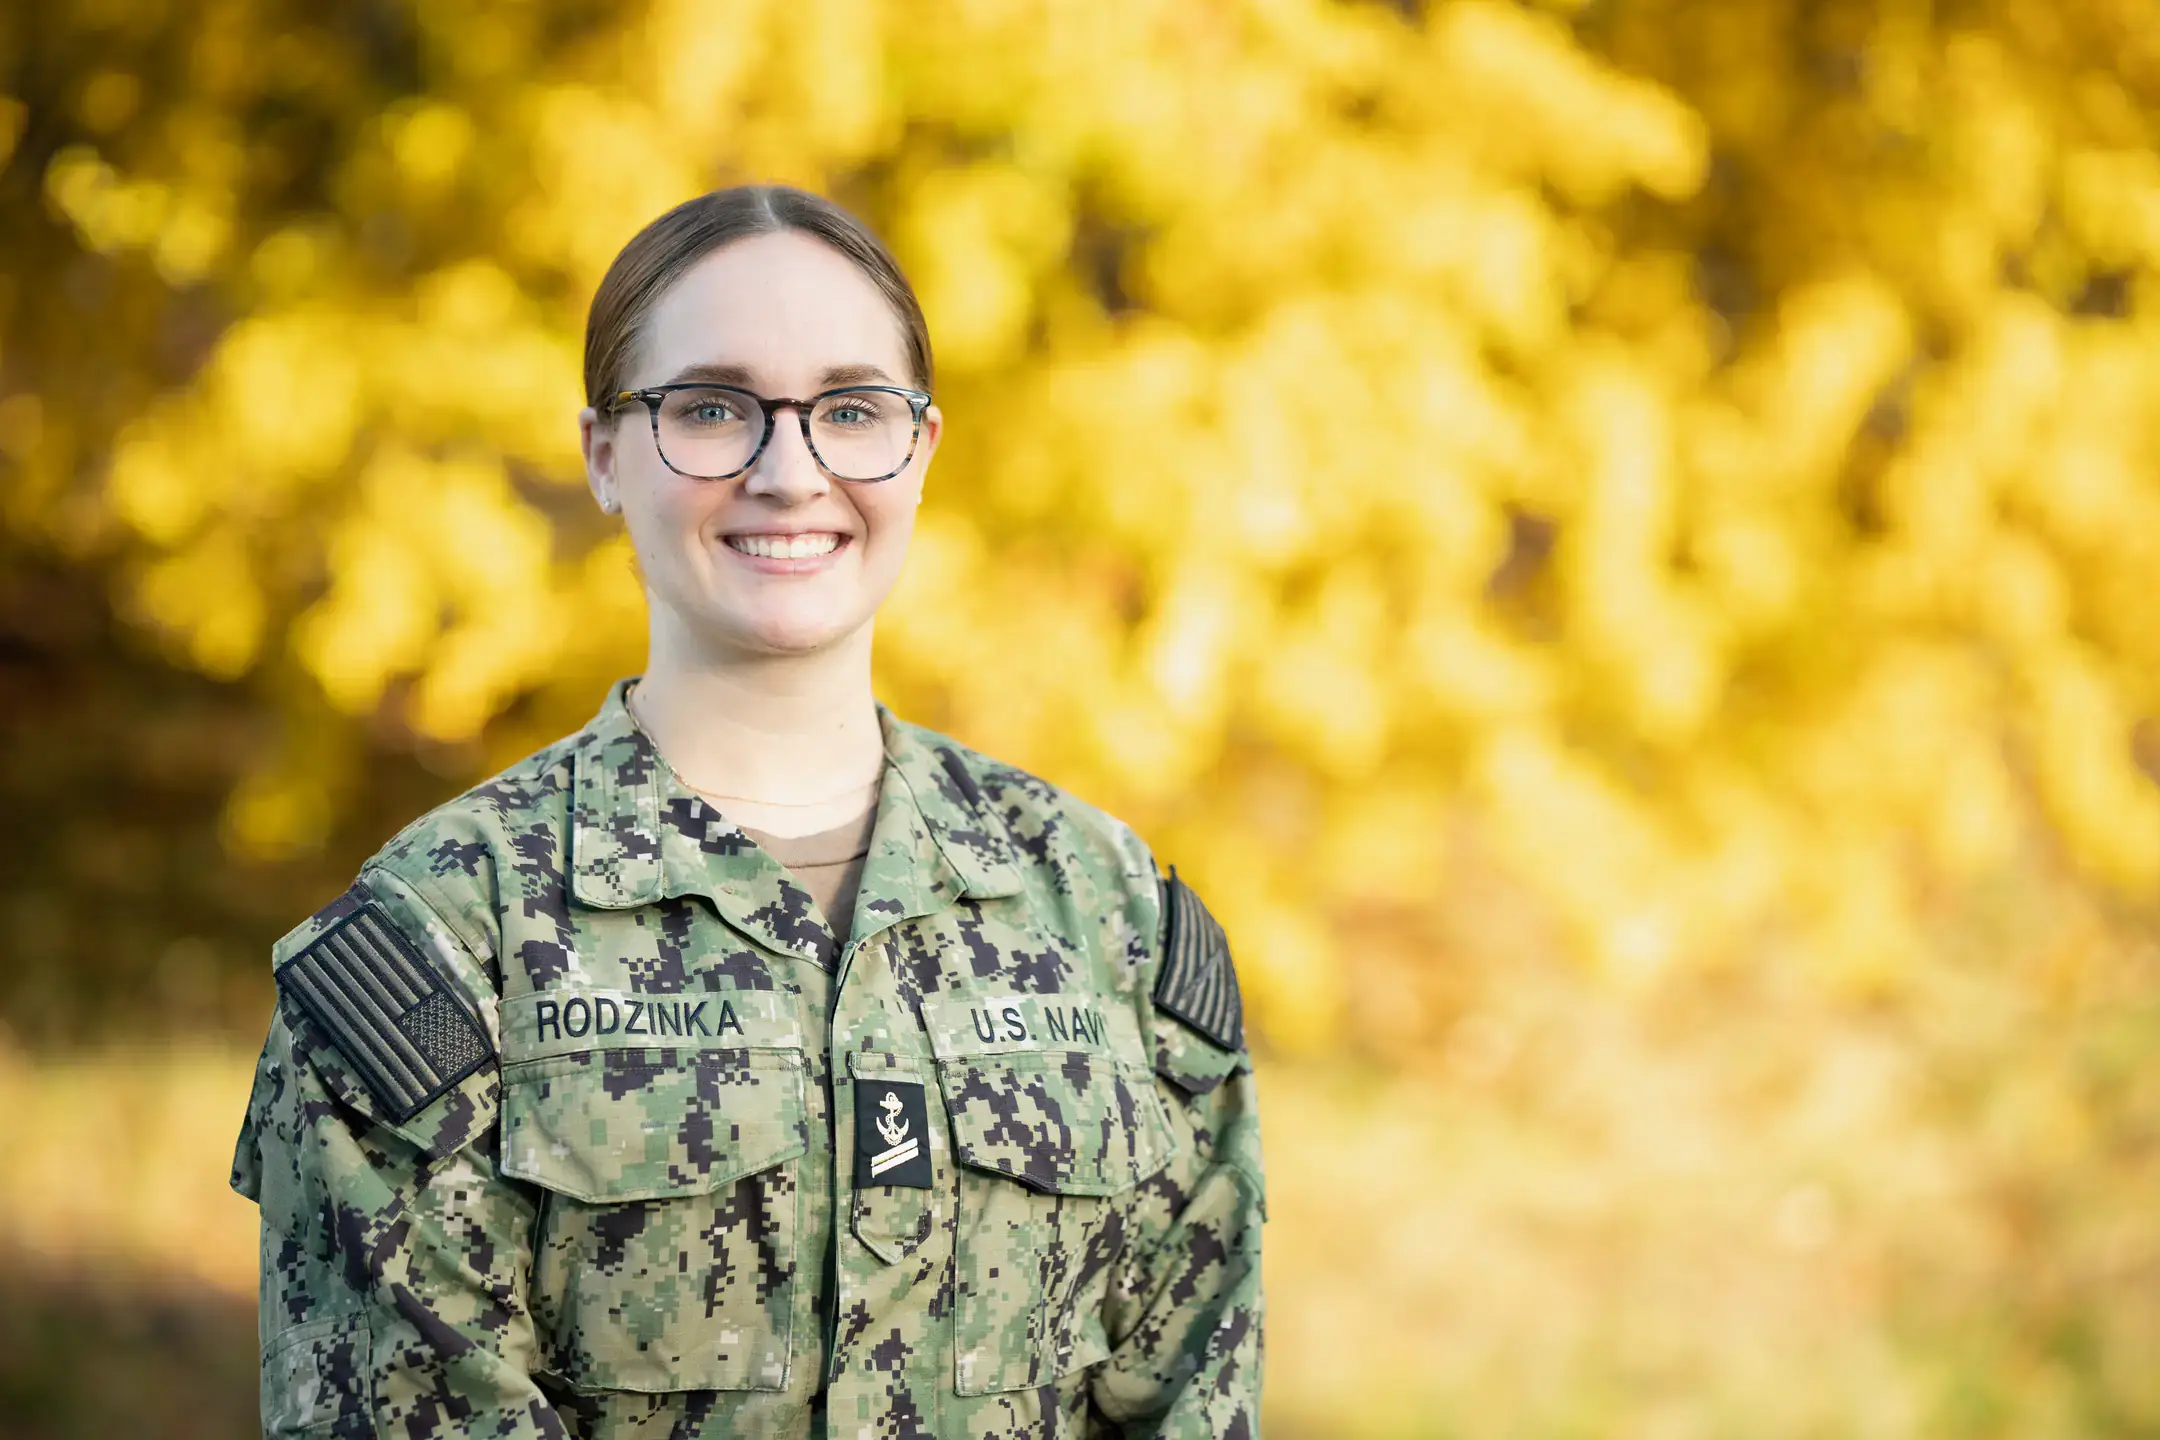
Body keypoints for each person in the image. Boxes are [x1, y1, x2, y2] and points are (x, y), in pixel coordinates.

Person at [230, 184, 1264, 1440]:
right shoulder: (442, 944)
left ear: (921, 452)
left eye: (850, 410)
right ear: (605, 456)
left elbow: (1189, 1402)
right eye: (711, 409)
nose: (791, 471)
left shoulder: (1109, 913)